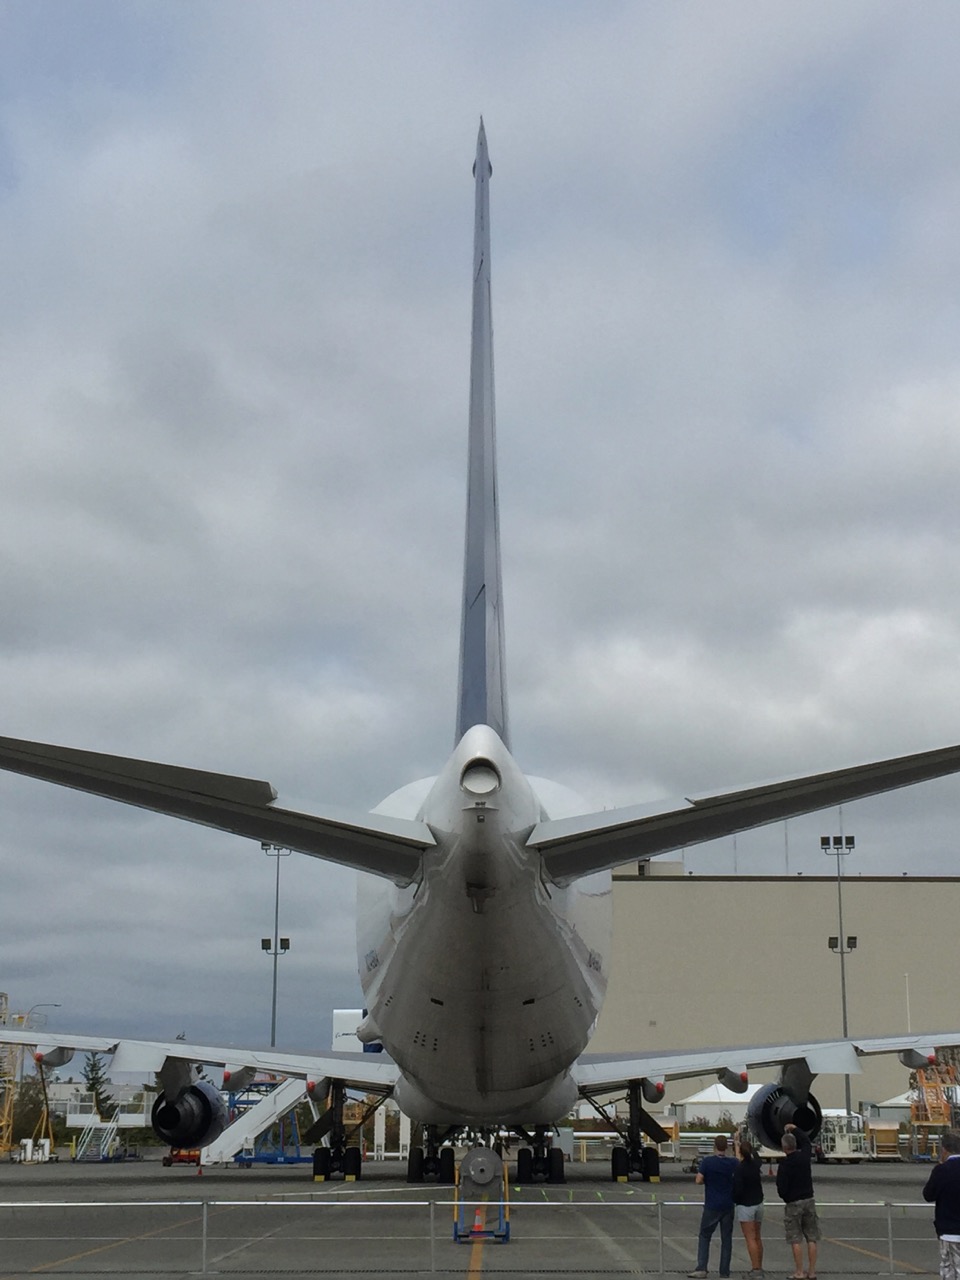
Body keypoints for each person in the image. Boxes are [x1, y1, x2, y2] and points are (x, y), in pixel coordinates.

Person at [688, 1134, 736, 1279]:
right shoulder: (733, 1163)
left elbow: (698, 1180)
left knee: (705, 1235)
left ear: (714, 1146)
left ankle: (702, 1267)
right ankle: (724, 1270)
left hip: (712, 1204)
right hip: (728, 1204)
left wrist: (707, 1181)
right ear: (726, 1147)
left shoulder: (708, 1162)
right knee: (726, 1238)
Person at [776, 1123, 820, 1280]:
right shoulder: (804, 1157)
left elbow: (781, 1188)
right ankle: (812, 1271)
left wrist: (787, 1197)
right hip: (808, 1199)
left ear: (784, 1148)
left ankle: (799, 1271)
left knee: (795, 1238)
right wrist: (795, 1128)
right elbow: (807, 1142)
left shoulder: (784, 1165)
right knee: (812, 1237)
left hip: (793, 1202)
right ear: (795, 1145)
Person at [922, 1129, 960, 1280]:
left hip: (949, 1231)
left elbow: (928, 1195)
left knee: (949, 1269)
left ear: (944, 1150)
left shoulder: (941, 1170)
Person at [733, 1134, 765, 1278]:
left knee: (750, 1238)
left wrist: (735, 1199)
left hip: (746, 1205)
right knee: (757, 1237)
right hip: (758, 1202)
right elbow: (757, 1157)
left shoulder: (740, 1169)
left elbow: (738, 1189)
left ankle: (755, 1268)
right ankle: (759, 1266)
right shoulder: (756, 1165)